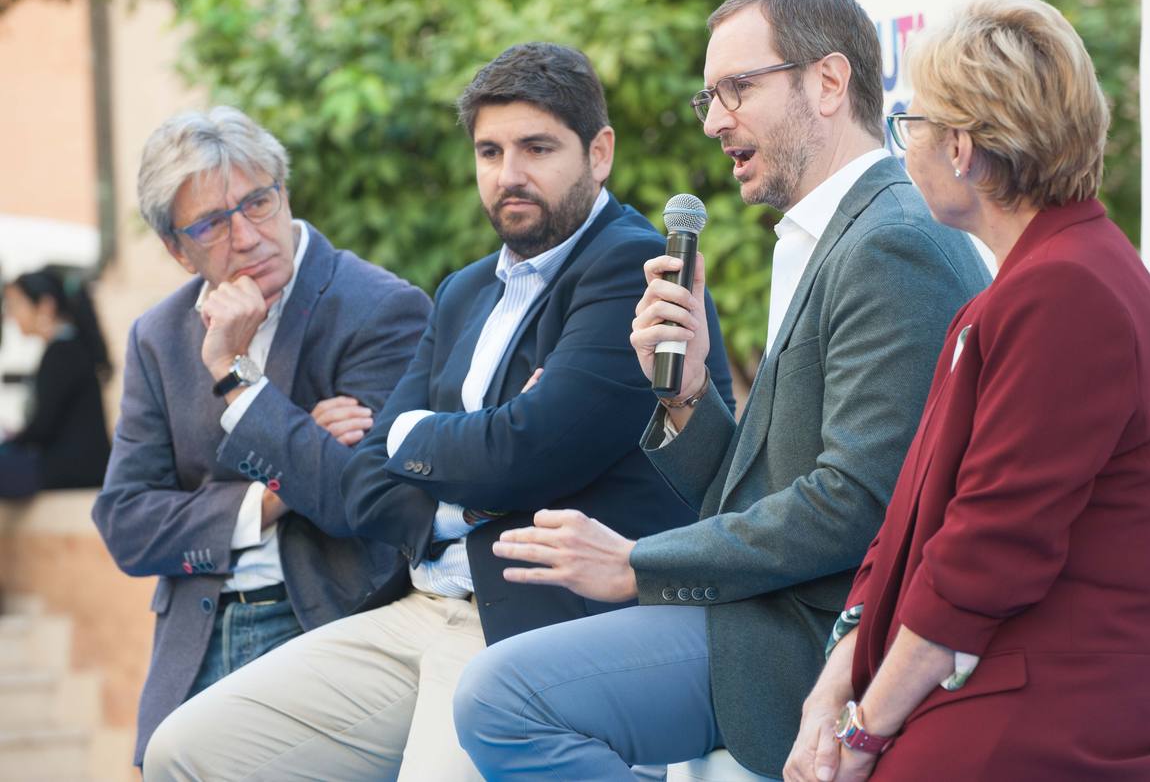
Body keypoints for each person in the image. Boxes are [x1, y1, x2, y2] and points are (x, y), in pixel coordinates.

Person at [141, 42, 736, 781]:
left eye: (537, 147)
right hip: (422, 604)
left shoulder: (630, 266)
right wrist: (474, 467)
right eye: (490, 151)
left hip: (539, 619)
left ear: (600, 152)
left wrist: (417, 434)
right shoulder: (463, 292)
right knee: (187, 751)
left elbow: (523, 454)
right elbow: (365, 480)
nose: (508, 174)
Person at [454, 0, 990, 778]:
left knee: (502, 698)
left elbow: (857, 504)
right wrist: (687, 392)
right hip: (765, 610)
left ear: (828, 82)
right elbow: (769, 487)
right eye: (708, 96)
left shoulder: (894, 240)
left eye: (737, 88)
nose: (714, 121)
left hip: (810, 639)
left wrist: (638, 565)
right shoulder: (816, 237)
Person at [783, 0, 1150, 782]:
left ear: (963, 149)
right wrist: (828, 698)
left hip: (1059, 700)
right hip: (998, 677)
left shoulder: (1067, 290)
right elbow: (906, 532)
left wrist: (866, 731)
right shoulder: (1030, 285)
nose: (904, 147)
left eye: (913, 126)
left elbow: (988, 551)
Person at [92, 106, 431, 766]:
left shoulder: (380, 307)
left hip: (322, 625)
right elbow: (126, 524)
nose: (245, 236)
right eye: (212, 223)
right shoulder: (158, 336)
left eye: (257, 201)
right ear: (176, 248)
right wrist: (275, 489)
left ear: (285, 191)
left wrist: (233, 371)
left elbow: (352, 497)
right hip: (193, 638)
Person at [0, 267, 111, 497]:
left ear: (45, 305)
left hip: (71, 470)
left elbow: (42, 427)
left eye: (16, 305)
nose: (11, 316)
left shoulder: (63, 352)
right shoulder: (68, 347)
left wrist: (10, 443)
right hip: (75, 466)